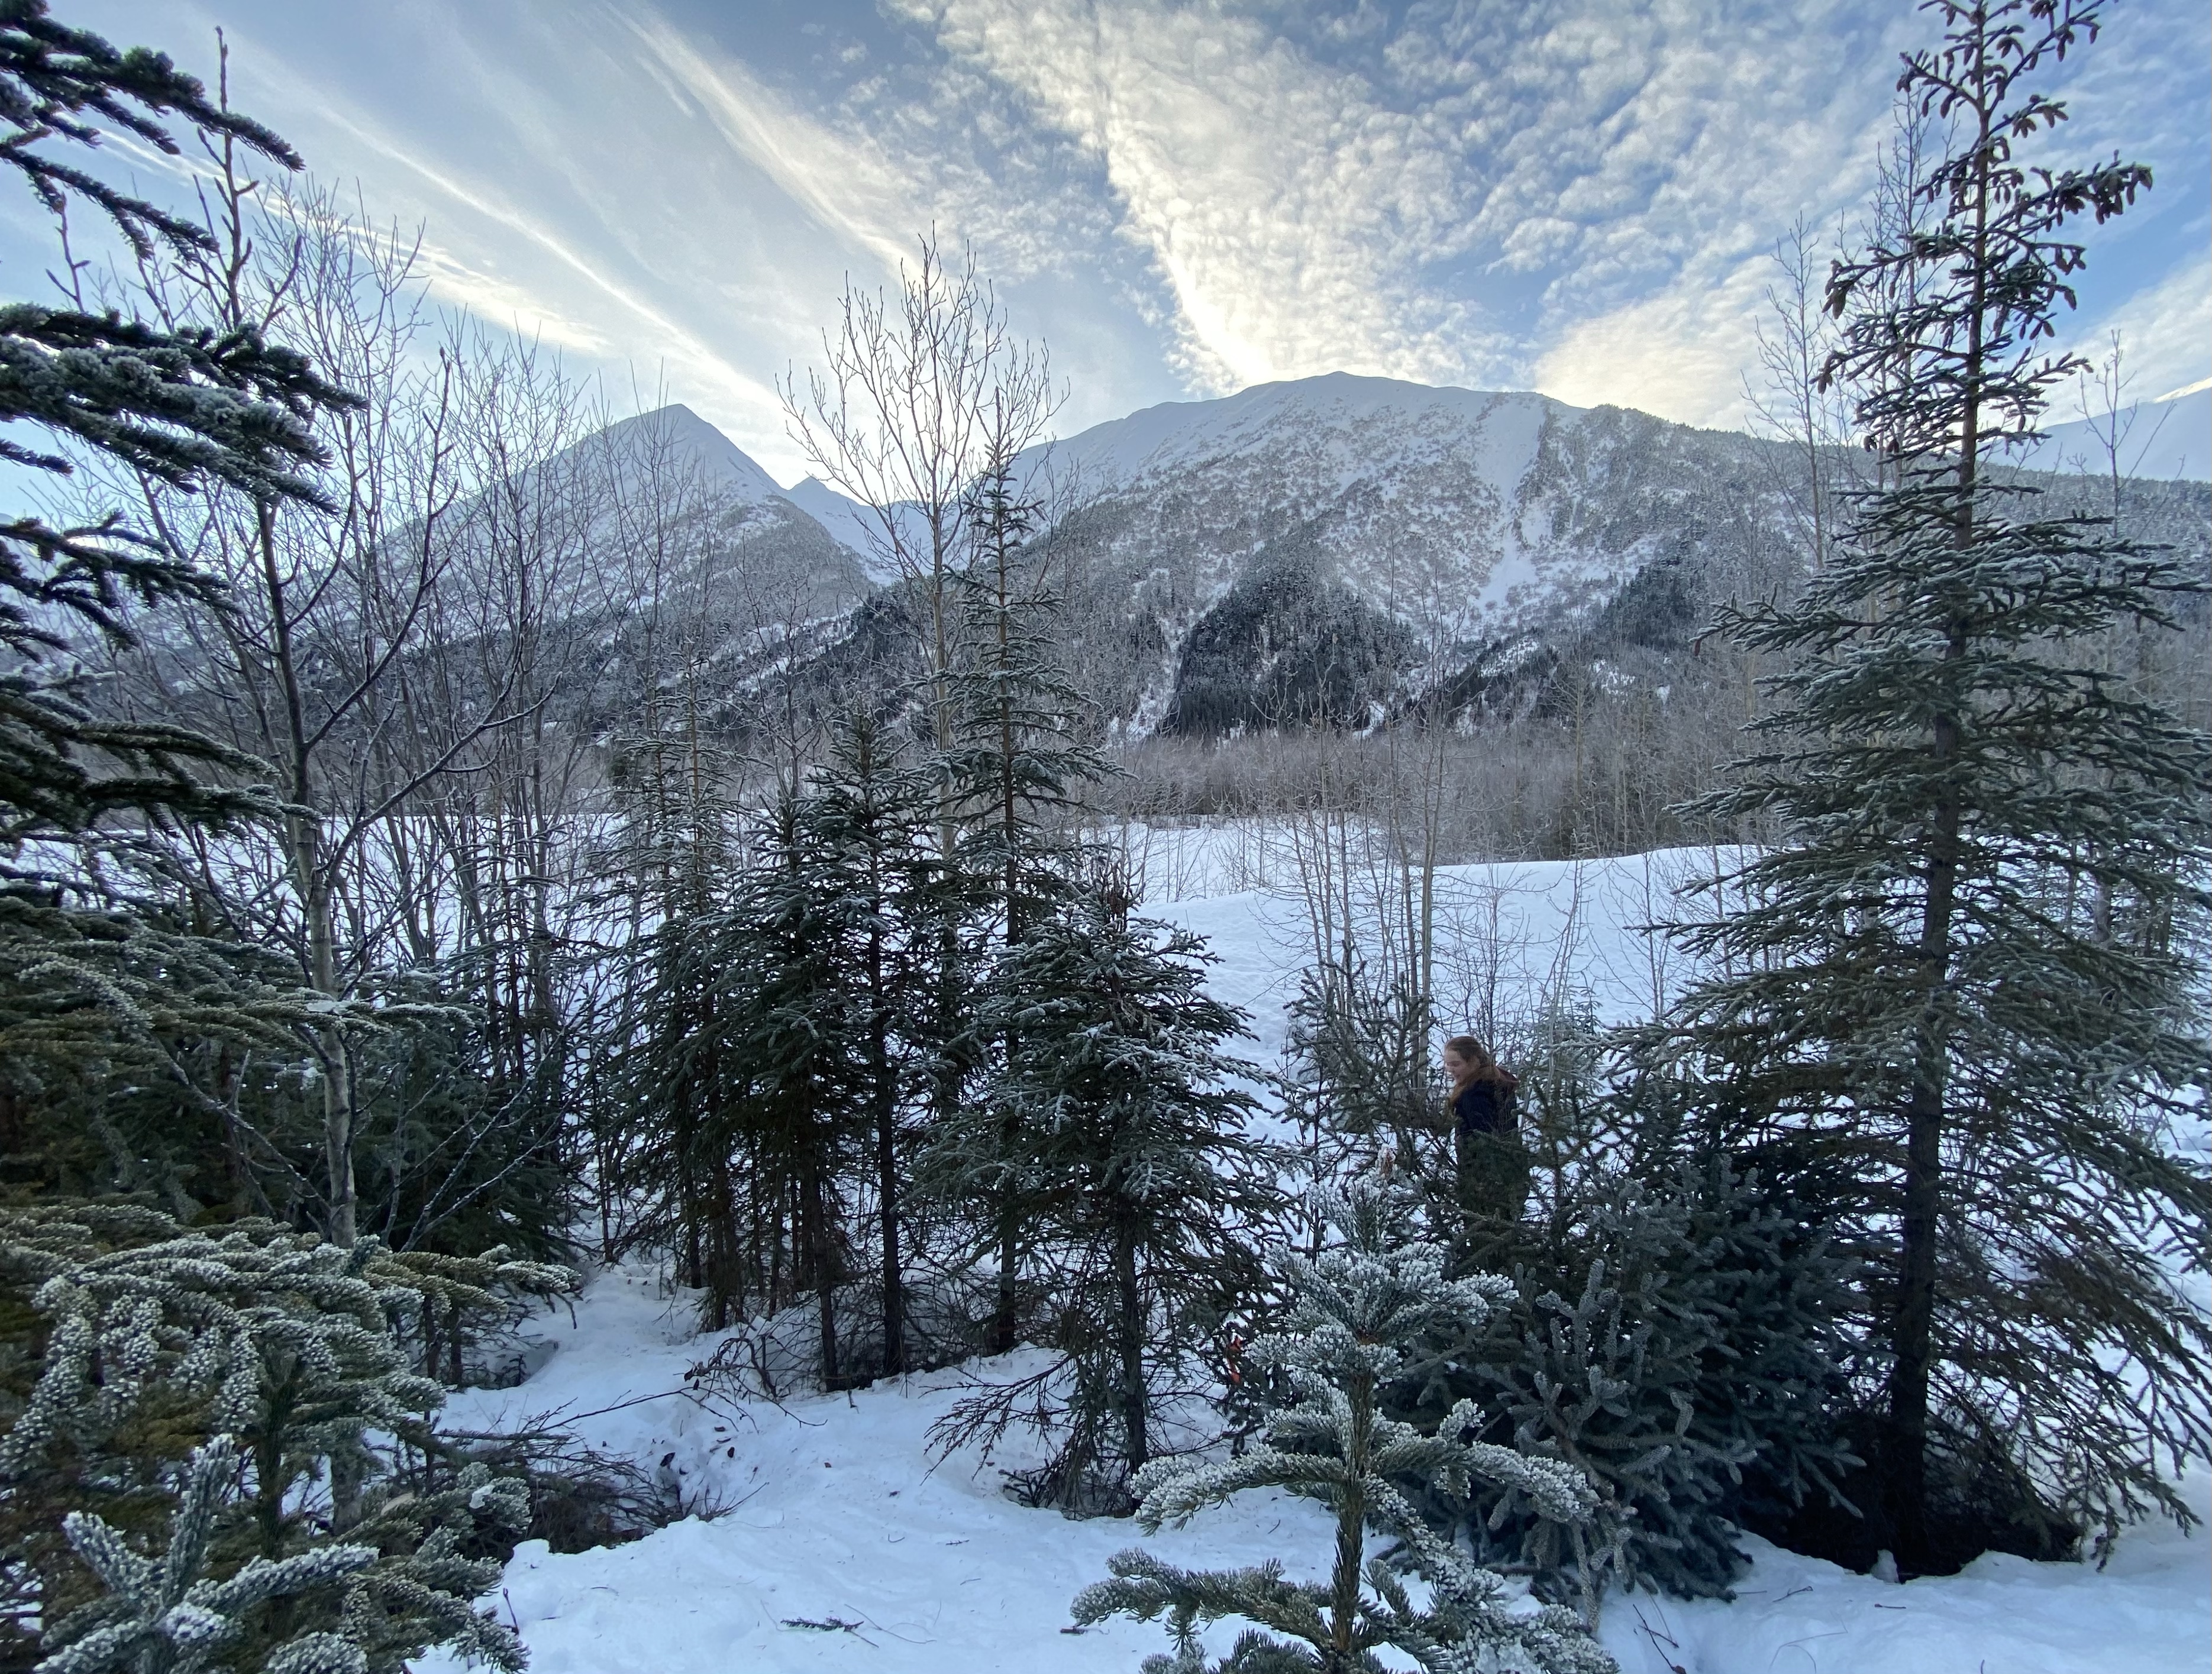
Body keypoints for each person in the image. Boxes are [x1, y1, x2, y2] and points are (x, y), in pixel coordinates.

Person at [1442, 1033, 1528, 1235]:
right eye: (1447, 1065)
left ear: (1474, 1061)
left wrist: (1476, 1184)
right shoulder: (1496, 1082)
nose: (1450, 1070)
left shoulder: (1475, 1095)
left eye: (1455, 1064)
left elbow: (1486, 1140)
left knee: (1485, 1238)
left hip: (1485, 1184)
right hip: (1511, 1174)